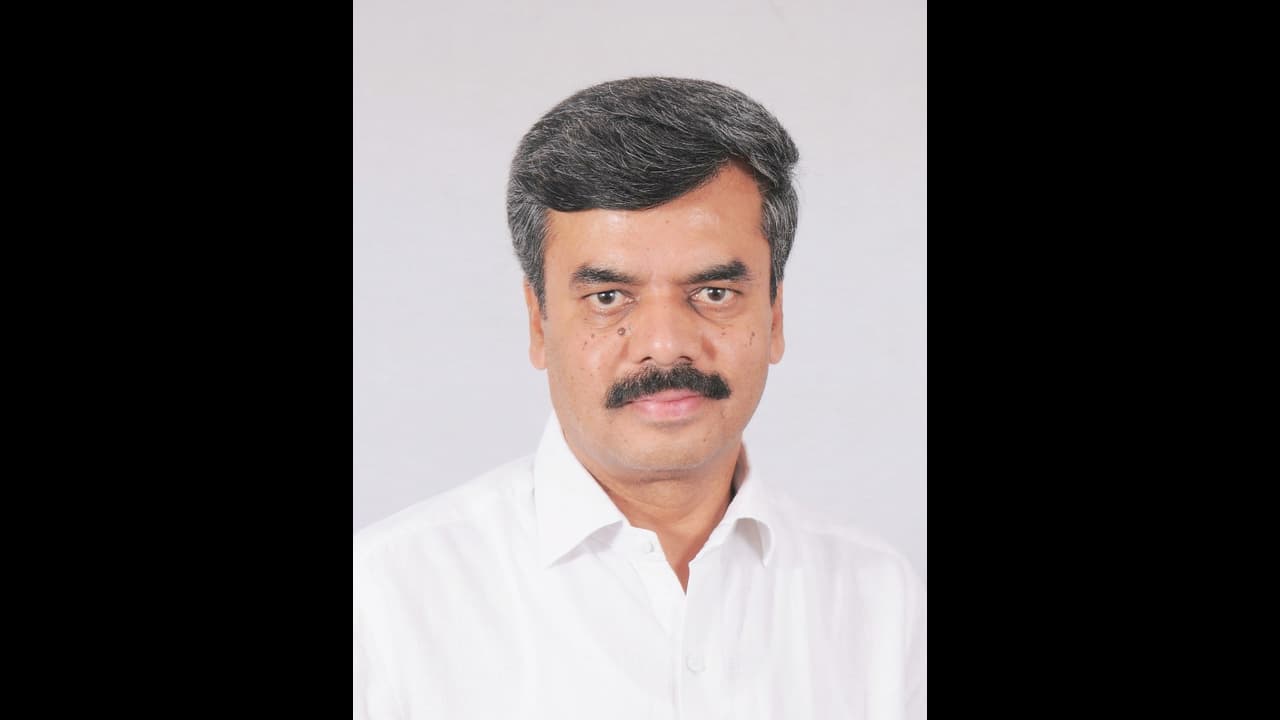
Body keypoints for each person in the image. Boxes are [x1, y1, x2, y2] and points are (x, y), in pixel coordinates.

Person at [354, 77, 926, 720]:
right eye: (608, 297)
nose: (664, 345)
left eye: (714, 293)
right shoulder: (382, 604)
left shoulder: (878, 599)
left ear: (775, 315)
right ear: (539, 323)